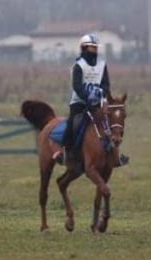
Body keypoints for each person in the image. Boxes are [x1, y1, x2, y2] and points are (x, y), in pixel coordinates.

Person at [52, 33, 128, 166]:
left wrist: (101, 94)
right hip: (79, 103)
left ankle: (115, 155)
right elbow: (76, 86)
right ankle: (64, 151)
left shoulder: (102, 65)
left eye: (96, 47)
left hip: (98, 103)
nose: (94, 50)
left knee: (111, 123)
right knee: (73, 124)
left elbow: (106, 84)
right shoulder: (78, 66)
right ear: (84, 48)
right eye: (92, 47)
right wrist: (87, 96)